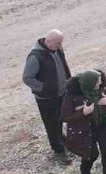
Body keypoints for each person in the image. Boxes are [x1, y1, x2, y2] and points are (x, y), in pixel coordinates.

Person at [62, 70, 106, 174]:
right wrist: (83, 113)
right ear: (88, 83)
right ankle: (85, 171)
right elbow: (64, 116)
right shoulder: (72, 94)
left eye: (100, 81)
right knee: (91, 153)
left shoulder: (102, 87)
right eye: (97, 82)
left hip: (105, 124)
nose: (100, 84)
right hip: (86, 129)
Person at [23, 30, 73, 164]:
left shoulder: (57, 49)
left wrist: (69, 81)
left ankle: (61, 139)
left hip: (60, 93)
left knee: (61, 118)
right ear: (48, 41)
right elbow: (27, 78)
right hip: (46, 98)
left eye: (60, 43)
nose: (60, 45)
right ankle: (58, 151)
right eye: (58, 43)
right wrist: (44, 88)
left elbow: (63, 66)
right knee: (51, 124)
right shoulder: (35, 56)